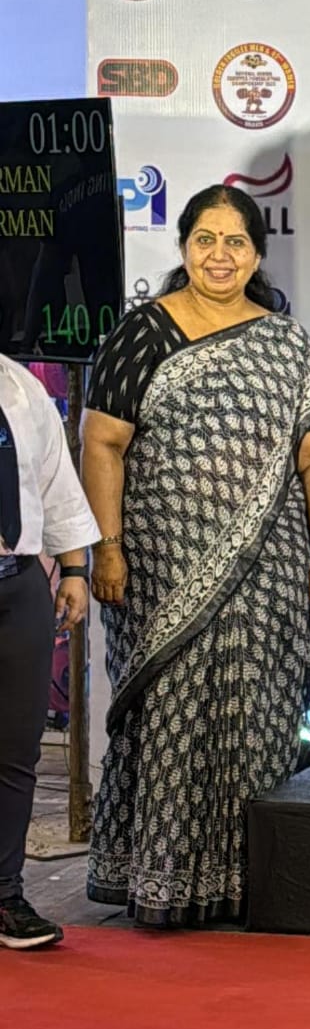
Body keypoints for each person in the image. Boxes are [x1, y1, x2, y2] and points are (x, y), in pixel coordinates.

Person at [82, 185, 310, 926]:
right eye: (205, 240)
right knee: (172, 716)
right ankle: (164, 880)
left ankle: (248, 882)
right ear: (182, 249)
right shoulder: (141, 333)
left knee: (259, 717)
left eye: (235, 242)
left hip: (269, 574)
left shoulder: (285, 341)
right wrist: (106, 548)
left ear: (258, 255)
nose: (219, 256)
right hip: (159, 568)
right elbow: (102, 443)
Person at [0, 356, 99, 948]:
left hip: (17, 586)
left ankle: (6, 894)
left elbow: (55, 478)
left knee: (16, 752)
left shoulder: (16, 382)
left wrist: (74, 567)